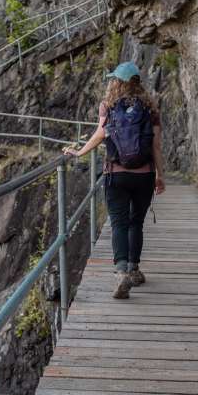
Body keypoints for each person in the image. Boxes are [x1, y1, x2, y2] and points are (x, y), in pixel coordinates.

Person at [64, 61, 165, 299]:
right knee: (136, 223)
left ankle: (120, 272)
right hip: (144, 175)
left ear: (116, 82)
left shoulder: (108, 106)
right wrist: (160, 176)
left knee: (119, 223)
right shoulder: (150, 109)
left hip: (115, 173)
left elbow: (101, 134)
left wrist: (79, 152)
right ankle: (134, 269)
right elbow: (156, 146)